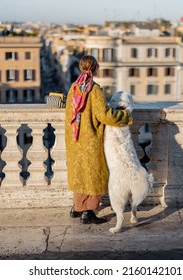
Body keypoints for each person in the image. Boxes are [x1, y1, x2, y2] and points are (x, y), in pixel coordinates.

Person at [65, 55, 132, 224]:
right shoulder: (94, 90)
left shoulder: (74, 88)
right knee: (95, 174)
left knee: (80, 174)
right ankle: (89, 212)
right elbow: (104, 115)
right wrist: (124, 115)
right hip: (90, 140)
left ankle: (78, 207)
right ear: (95, 69)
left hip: (75, 139)